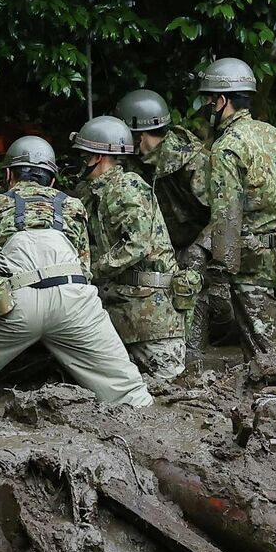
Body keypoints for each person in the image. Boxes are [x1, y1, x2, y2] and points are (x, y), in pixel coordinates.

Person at [0, 136, 150, 407]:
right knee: (129, 391)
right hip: (74, 302)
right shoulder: (73, 207)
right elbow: (85, 271)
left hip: (14, 305)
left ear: (9, 175)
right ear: (52, 181)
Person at [195, 57, 276, 361]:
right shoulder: (275, 135)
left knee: (265, 355)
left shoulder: (226, 147)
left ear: (221, 101)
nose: (206, 107)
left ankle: (273, 403)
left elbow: (227, 217)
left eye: (208, 100)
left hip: (255, 262)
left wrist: (219, 276)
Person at [73, 114, 186, 379]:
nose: (80, 161)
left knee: (168, 385)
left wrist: (93, 270)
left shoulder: (127, 188)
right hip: (123, 308)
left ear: (97, 157)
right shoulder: (96, 192)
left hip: (151, 316)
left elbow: (137, 244)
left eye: (84, 155)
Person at [117, 87, 215, 360]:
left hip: (197, 247)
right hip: (159, 249)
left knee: (188, 283)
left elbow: (224, 215)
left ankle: (193, 354)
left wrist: (200, 251)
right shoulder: (133, 163)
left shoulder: (193, 162)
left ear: (140, 133)